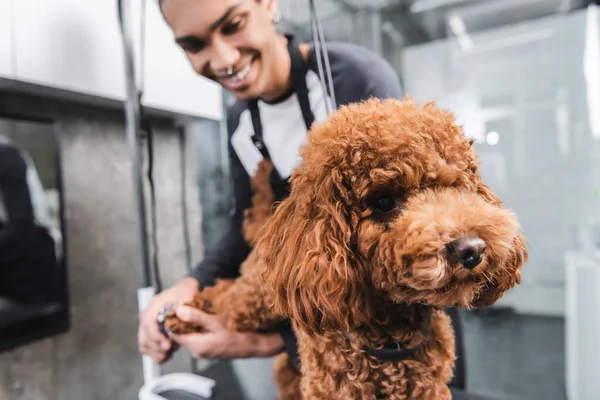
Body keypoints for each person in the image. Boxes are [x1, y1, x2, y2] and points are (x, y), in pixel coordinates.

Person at [138, 0, 465, 396]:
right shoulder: (241, 124)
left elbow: (402, 253)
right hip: (313, 332)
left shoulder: (355, 78)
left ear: (269, 5)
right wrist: (186, 287)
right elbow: (245, 231)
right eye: (194, 45)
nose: (222, 57)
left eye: (233, 24)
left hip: (401, 332)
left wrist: (263, 342)